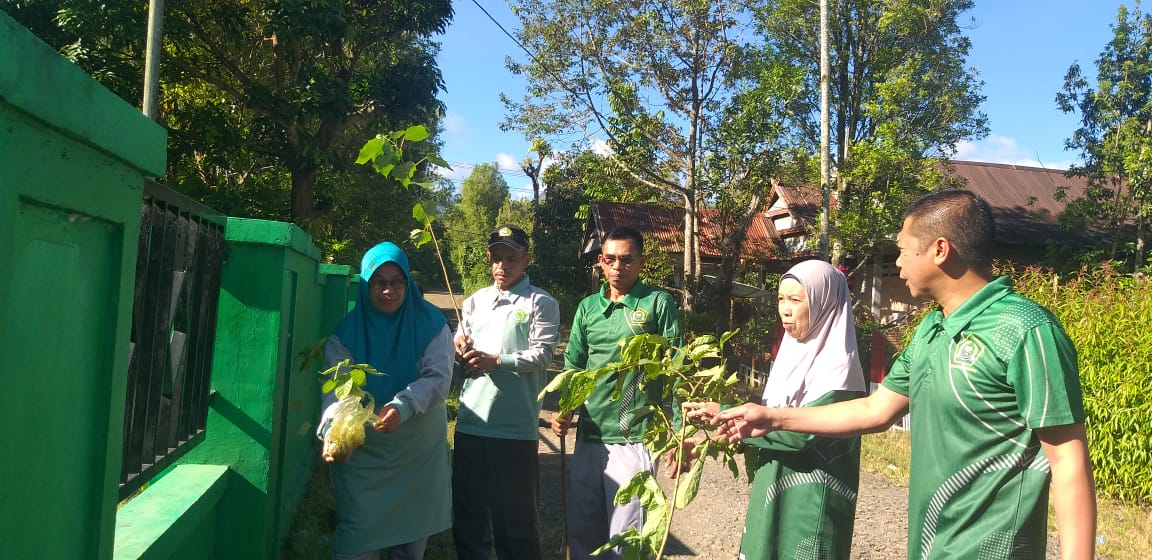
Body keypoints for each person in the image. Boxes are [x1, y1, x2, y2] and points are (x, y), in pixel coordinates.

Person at [712, 190, 1097, 560]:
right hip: (931, 545)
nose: (897, 262)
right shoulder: (932, 330)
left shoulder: (1024, 329)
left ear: (940, 250)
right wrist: (771, 417)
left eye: (902, 250)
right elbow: (877, 410)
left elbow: (1068, 460)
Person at [684, 259, 867, 560]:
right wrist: (708, 437)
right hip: (774, 487)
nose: (785, 308)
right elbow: (764, 425)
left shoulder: (839, 369)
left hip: (809, 500)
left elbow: (800, 434)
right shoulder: (791, 354)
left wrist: (728, 410)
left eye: (796, 299)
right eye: (781, 299)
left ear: (825, 304)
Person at [551, 226, 682, 560]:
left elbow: (678, 370)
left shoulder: (657, 304)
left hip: (634, 440)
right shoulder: (587, 309)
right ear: (600, 261)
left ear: (641, 262)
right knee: (583, 534)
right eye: (610, 259)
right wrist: (565, 409)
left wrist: (681, 434)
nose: (617, 267)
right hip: (589, 436)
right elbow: (574, 366)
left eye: (626, 259)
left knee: (626, 540)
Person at [317, 241, 454, 560]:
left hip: (416, 458)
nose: (388, 290)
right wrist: (334, 434)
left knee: (409, 549)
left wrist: (402, 406)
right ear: (366, 285)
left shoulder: (431, 324)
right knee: (356, 545)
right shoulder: (345, 334)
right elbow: (336, 393)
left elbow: (437, 380)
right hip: (363, 461)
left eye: (396, 282)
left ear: (408, 283)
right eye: (379, 282)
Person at [451, 224, 561, 560]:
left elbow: (543, 354)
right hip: (472, 421)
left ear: (525, 259)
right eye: (497, 258)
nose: (503, 265)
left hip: (515, 428)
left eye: (511, 258)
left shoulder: (541, 302)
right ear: (489, 259)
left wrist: (497, 361)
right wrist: (459, 345)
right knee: (468, 515)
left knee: (516, 521)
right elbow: (460, 339)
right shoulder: (474, 302)